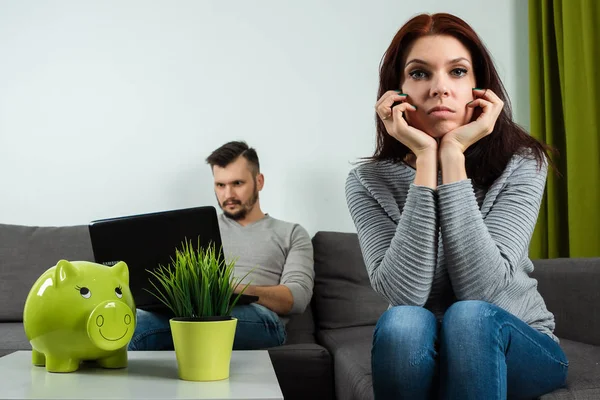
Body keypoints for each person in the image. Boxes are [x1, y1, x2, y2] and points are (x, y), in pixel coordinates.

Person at [345, 12, 568, 400]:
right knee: (401, 322)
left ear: (479, 89)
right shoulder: (368, 181)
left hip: (516, 340)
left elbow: (480, 290)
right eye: (419, 74)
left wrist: (453, 156)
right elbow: (405, 295)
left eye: (458, 72)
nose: (440, 88)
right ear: (395, 94)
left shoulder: (524, 162)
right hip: (424, 347)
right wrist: (426, 160)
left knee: (468, 318)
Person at [129, 141, 314, 350]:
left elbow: (297, 297)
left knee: (138, 327)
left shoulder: (291, 233)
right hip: (191, 309)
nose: (228, 195)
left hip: (260, 318)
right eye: (220, 185)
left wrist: (232, 290)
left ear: (259, 181)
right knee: (129, 317)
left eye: (237, 183)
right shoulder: (195, 230)